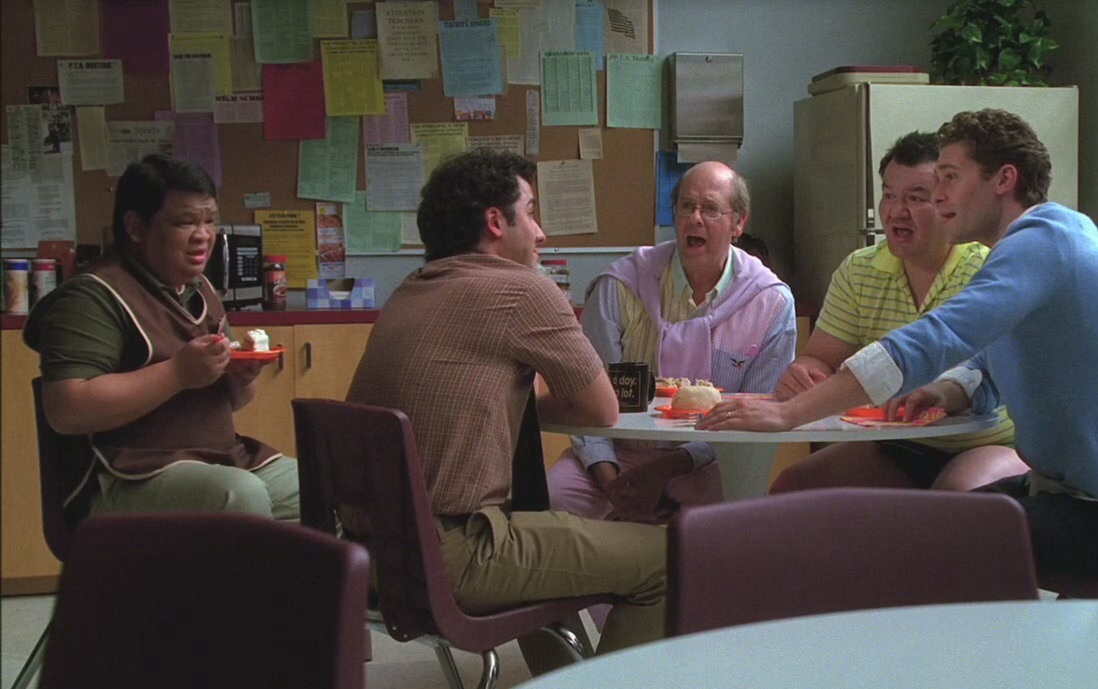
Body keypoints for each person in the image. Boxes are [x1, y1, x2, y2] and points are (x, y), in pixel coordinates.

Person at [700, 109, 1098, 583]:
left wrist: (788, 415)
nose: (938, 196)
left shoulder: (1044, 239)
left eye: (951, 177)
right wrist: (948, 391)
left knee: (931, 543)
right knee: (935, 528)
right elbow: (988, 363)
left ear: (1004, 179)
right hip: (1079, 495)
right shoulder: (1042, 242)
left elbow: (936, 339)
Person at [344, 149, 666, 662]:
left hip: (372, 555)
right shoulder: (523, 291)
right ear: (496, 222)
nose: (541, 233)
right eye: (531, 212)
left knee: (541, 528)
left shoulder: (411, 290)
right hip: (450, 556)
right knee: (668, 558)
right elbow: (602, 411)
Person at [23, 154, 298, 520]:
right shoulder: (91, 296)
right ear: (136, 228)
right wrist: (177, 373)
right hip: (126, 477)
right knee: (239, 496)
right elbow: (67, 410)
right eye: (185, 222)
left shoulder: (201, 288)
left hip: (221, 459)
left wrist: (240, 378)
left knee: (323, 485)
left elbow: (235, 402)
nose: (203, 235)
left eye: (209, 220)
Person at [772, 132, 1028, 494]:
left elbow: (982, 371)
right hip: (897, 442)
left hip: (987, 441)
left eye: (916, 198)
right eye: (889, 195)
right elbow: (820, 359)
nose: (896, 211)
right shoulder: (859, 269)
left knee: (955, 497)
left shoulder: (988, 267)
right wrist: (806, 374)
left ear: (947, 201)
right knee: (795, 486)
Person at [546, 161, 796, 523]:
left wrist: (669, 468)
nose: (695, 218)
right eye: (686, 207)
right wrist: (609, 480)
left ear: (739, 223)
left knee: (730, 516)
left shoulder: (770, 302)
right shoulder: (620, 285)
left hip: (709, 457)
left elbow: (756, 416)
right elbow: (586, 398)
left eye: (710, 209)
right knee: (556, 498)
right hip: (619, 452)